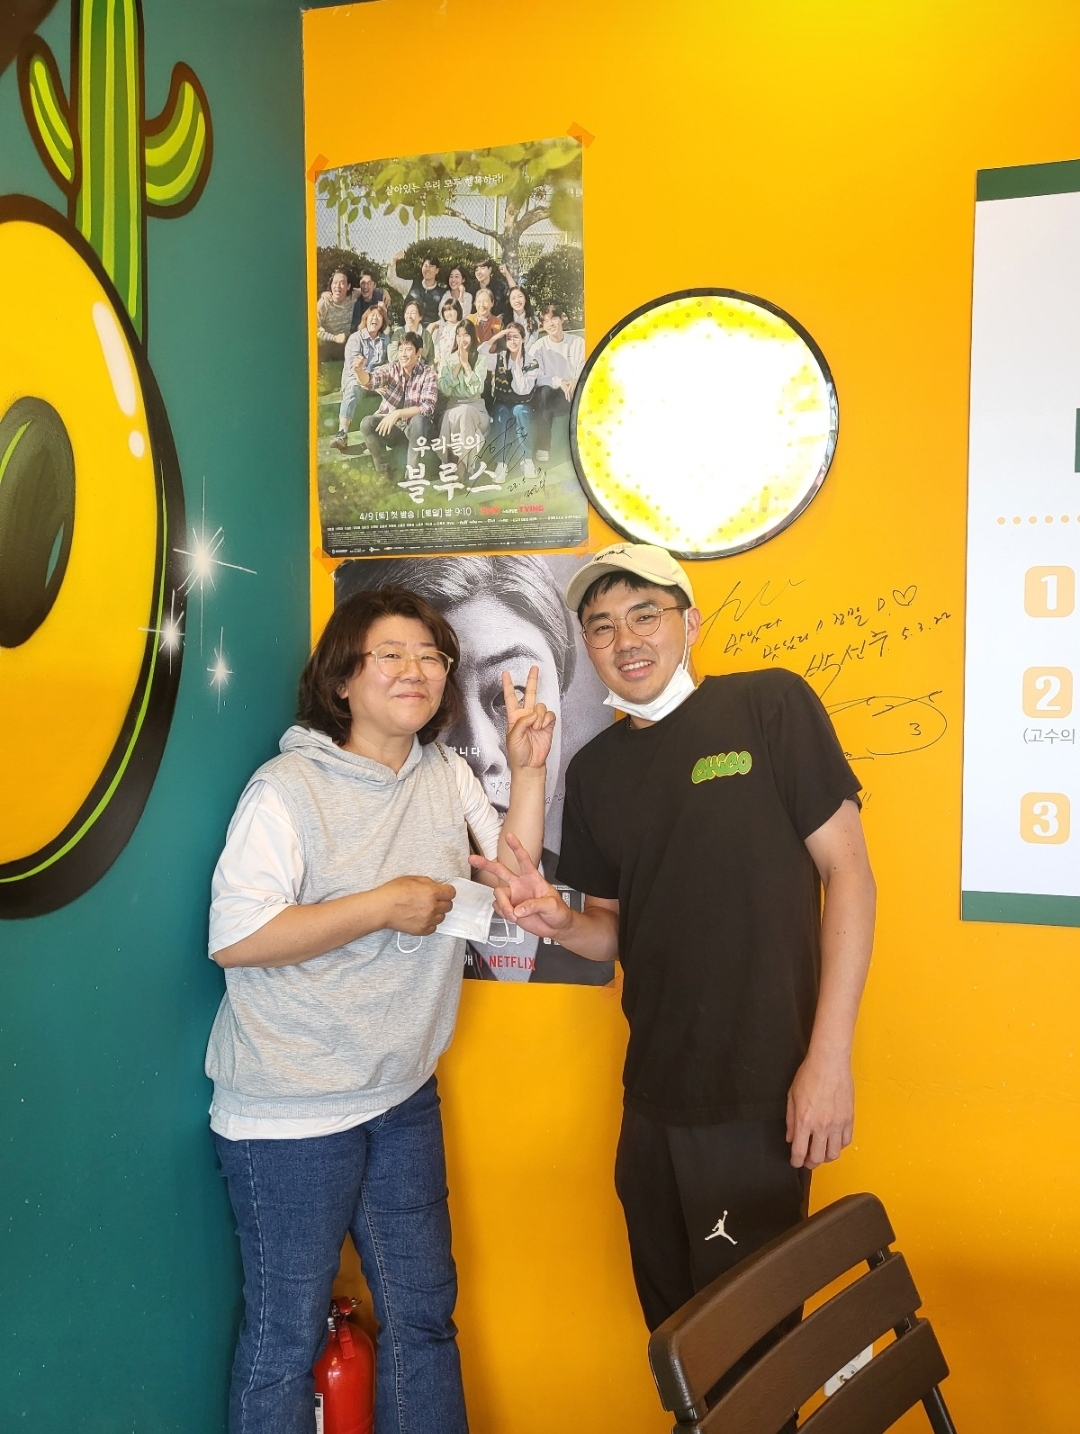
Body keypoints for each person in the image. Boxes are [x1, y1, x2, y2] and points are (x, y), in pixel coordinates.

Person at [470, 542, 876, 1344]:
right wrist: (561, 923)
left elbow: (851, 877)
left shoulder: (769, 707)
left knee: (753, 1356)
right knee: (680, 1345)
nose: (626, 640)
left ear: (689, 623)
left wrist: (828, 1060)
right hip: (652, 1099)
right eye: (602, 626)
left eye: (645, 614)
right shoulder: (595, 772)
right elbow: (611, 931)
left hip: (760, 1098)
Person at [205, 585, 554, 1434]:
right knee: (284, 1340)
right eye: (390, 655)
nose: (416, 671)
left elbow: (515, 883)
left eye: (431, 656)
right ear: (342, 681)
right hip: (289, 1111)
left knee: (425, 1318)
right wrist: (380, 905)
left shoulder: (443, 774)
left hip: (401, 1096)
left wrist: (529, 770)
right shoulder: (286, 789)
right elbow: (236, 937)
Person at [334, 555, 613, 985]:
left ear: (562, 698)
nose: (479, 752)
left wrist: (529, 773)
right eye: (442, 704)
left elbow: (504, 871)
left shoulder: (569, 887)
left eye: (509, 698)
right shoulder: (313, 807)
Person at [356, 331, 438, 479]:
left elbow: (428, 406)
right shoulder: (391, 369)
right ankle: (384, 474)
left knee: (419, 420)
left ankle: (412, 475)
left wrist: (398, 413)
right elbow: (371, 380)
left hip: (417, 431)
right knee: (367, 423)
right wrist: (359, 371)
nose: (403, 354)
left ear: (419, 352)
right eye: (401, 350)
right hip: (394, 431)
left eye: (408, 349)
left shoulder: (428, 373)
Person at [330, 302, 391, 453]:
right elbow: (354, 368)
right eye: (372, 315)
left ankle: (384, 432)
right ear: (366, 319)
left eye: (379, 316)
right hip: (356, 379)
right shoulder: (355, 338)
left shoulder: (385, 340)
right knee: (352, 388)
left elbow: (387, 365)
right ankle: (342, 433)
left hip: (377, 380)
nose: (375, 318)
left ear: (383, 322)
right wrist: (370, 385)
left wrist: (377, 383)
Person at [481, 322, 539, 477]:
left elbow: (522, 390)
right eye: (509, 338)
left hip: (523, 403)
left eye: (516, 337)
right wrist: (497, 336)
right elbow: (481, 353)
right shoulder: (499, 357)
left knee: (520, 412)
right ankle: (502, 463)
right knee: (501, 414)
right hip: (502, 402)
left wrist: (518, 365)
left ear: (523, 339)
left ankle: (526, 460)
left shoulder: (531, 361)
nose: (512, 341)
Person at [529, 303, 585, 463]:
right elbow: (535, 376)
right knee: (544, 392)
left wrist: (576, 380)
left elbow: (584, 366)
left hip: (573, 392)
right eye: (546, 321)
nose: (551, 324)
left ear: (562, 319)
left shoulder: (578, 342)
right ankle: (543, 446)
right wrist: (560, 382)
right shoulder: (538, 347)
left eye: (553, 318)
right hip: (552, 395)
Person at [437, 321, 489, 466]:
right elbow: (445, 389)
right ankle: (464, 465)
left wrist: (466, 365)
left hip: (476, 407)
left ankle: (459, 466)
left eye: (466, 335)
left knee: (466, 412)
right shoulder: (447, 360)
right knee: (463, 413)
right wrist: (457, 365)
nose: (462, 339)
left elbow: (477, 389)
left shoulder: (480, 359)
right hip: (453, 406)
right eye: (459, 335)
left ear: (472, 336)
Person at [386, 250, 445, 326]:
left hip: (430, 331)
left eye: (431, 266)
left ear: (437, 270)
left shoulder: (442, 293)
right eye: (425, 266)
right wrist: (393, 260)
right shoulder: (411, 285)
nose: (427, 269)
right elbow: (392, 280)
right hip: (409, 330)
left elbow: (444, 318)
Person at [316, 267, 355, 363]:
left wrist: (384, 292)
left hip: (348, 341)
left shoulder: (353, 296)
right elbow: (313, 329)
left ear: (348, 286)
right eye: (335, 282)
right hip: (328, 342)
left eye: (342, 283)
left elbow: (368, 289)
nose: (338, 286)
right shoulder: (323, 303)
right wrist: (334, 338)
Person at [388, 298, 436, 365]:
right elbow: (392, 357)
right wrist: (411, 356)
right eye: (407, 313)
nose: (409, 316)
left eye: (413, 313)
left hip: (422, 369)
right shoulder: (398, 333)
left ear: (420, 316)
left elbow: (431, 359)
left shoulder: (426, 335)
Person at [428, 295, 465, 368]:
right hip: (439, 362)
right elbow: (437, 344)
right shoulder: (442, 326)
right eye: (446, 310)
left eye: (451, 310)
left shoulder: (461, 326)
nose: (449, 313)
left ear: (458, 311)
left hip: (453, 363)